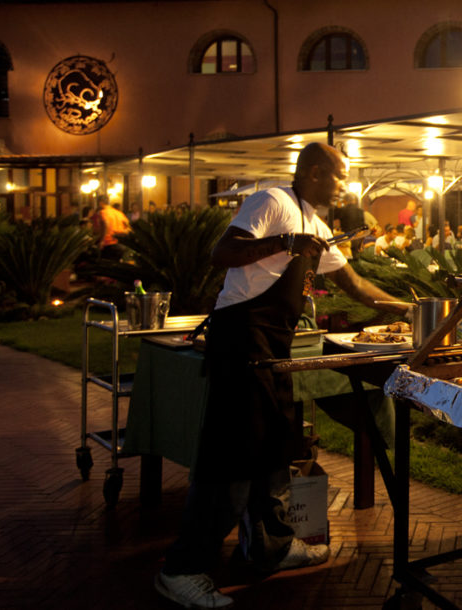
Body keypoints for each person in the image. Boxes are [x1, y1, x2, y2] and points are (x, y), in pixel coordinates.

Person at [155, 143, 407, 610]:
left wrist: (411, 308)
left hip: (274, 348)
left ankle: (271, 548)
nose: (344, 184)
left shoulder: (317, 224)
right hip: (240, 345)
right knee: (231, 458)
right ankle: (182, 569)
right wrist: (285, 243)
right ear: (314, 172)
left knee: (274, 449)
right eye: (339, 176)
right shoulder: (272, 203)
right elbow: (222, 251)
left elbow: (355, 286)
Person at [92, 194, 131, 260]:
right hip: (119, 244)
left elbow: (106, 224)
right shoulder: (119, 213)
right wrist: (121, 233)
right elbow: (128, 227)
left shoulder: (103, 212)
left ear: (100, 202)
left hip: (108, 244)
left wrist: (102, 241)